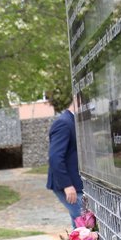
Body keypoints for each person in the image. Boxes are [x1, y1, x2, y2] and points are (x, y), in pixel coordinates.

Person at [46, 94, 84, 226]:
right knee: (84, 226)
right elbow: (55, 157)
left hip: (74, 184)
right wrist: (67, 185)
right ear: (77, 100)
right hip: (68, 186)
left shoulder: (73, 121)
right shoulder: (64, 123)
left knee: (80, 226)